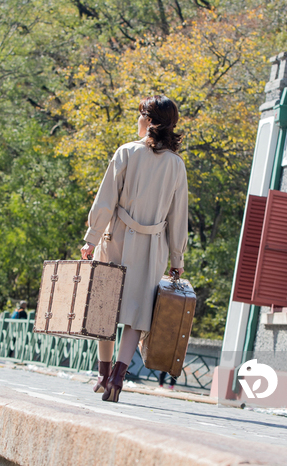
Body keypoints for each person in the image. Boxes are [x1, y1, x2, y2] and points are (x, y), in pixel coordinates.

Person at [80, 95, 188, 403]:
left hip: (115, 237)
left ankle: (102, 374)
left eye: (140, 115)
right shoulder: (176, 166)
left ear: (147, 120)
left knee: (104, 307)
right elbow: (178, 218)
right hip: (153, 247)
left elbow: (105, 200)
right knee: (137, 314)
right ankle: (118, 376)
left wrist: (91, 238)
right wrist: (177, 259)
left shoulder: (126, 152)